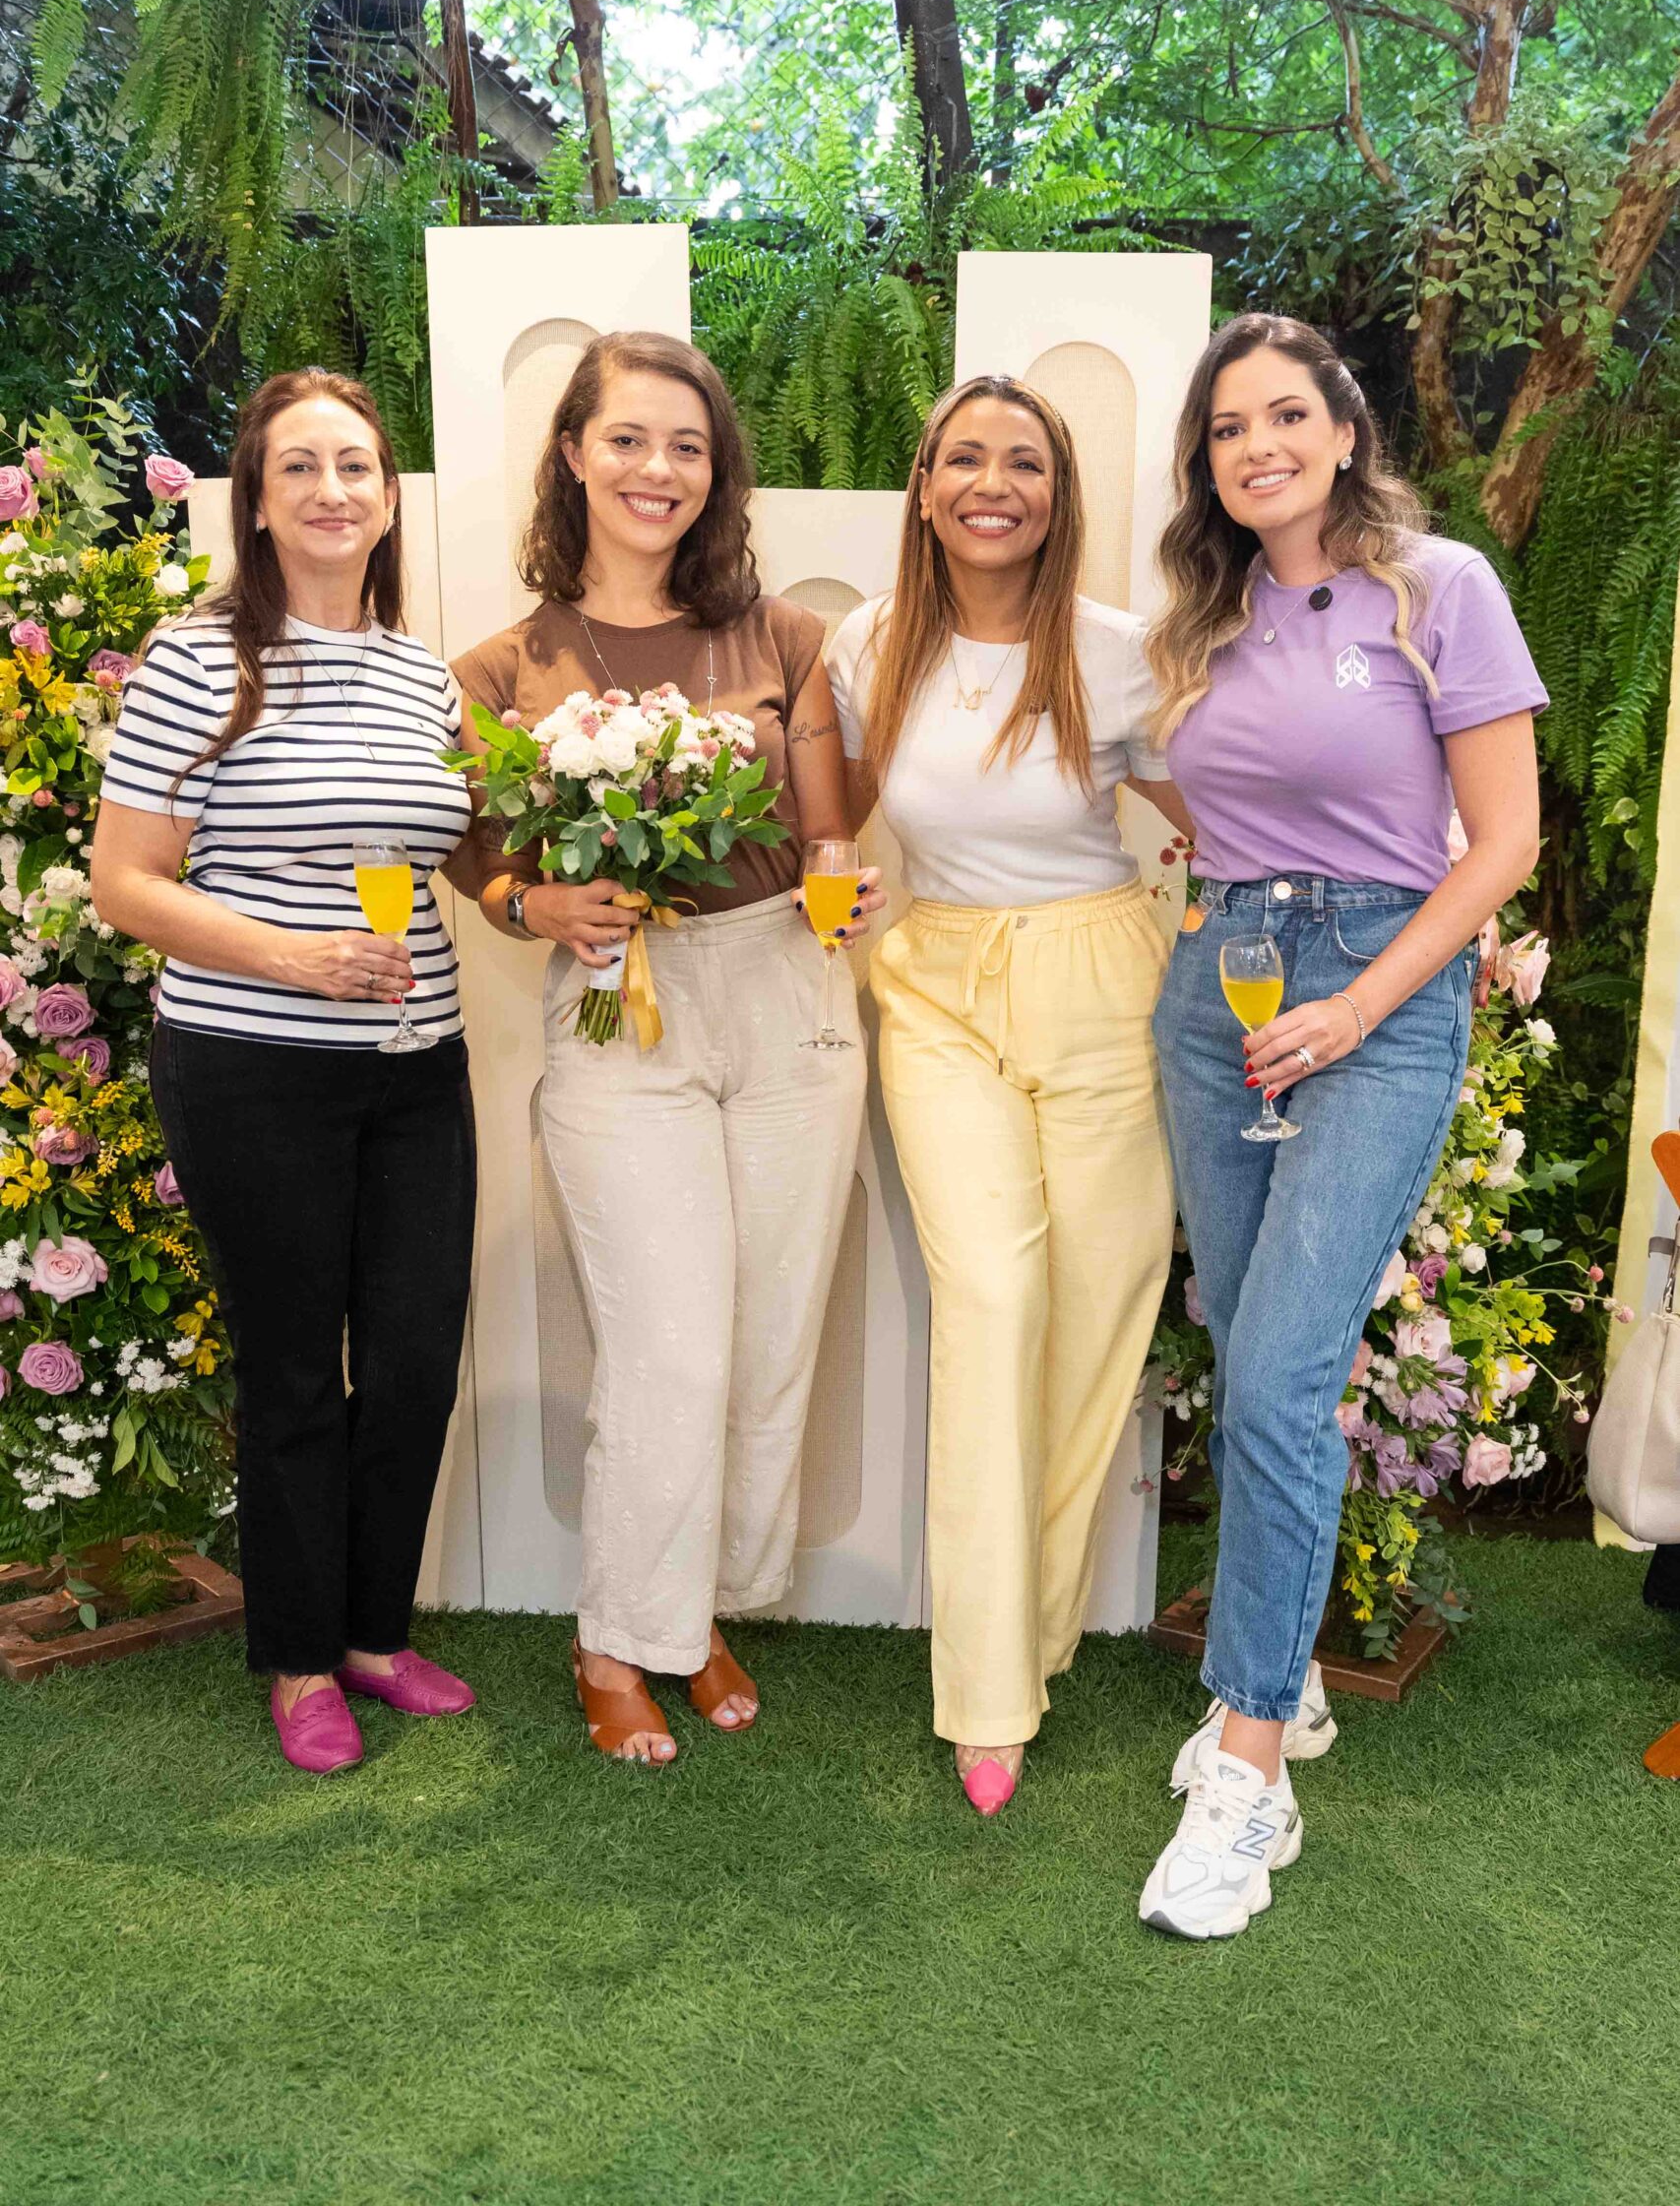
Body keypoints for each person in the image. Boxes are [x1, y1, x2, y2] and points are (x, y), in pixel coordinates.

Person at [1139, 311, 1545, 1937]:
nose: (1261, 447)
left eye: (1286, 415)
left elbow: (1502, 842)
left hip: (1378, 1004)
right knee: (1248, 1354)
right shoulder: (1205, 615)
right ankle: (1287, 1682)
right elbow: (1197, 794)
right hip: (1220, 990)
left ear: (1346, 427)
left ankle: (1249, 1770)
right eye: (1229, 427)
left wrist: (1360, 1004)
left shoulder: (1440, 588)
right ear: (1207, 461)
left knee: (1283, 1375)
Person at [453, 330, 878, 1767]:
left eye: (688, 446)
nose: (658, 469)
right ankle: (613, 1639)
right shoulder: (501, 667)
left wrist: (846, 879)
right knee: (669, 1348)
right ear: (574, 454)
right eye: (628, 439)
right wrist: (534, 904)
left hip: (786, 987)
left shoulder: (785, 639)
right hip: (614, 1004)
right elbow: (473, 853)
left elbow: (828, 825)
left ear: (718, 473)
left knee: (769, 1336)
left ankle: (696, 1612)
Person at [91, 368, 478, 1777]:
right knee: (297, 1371)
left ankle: (375, 1633)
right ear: (254, 501)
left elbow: (459, 852)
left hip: (419, 1068)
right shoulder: (198, 660)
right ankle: (302, 1658)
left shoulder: (421, 671)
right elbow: (126, 883)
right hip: (251, 1067)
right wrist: (293, 959)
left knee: (417, 1363)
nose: (331, 490)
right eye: (299, 466)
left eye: (355, 466)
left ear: (389, 498)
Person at [827, 374, 1183, 1816]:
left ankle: (1031, 1633)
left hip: (1107, 984)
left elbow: (1227, 820)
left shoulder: (1124, 655)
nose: (993, 484)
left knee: (1096, 1320)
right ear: (924, 490)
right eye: (965, 459)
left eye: (1024, 462)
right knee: (990, 1302)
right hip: (938, 990)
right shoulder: (869, 644)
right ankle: (985, 1693)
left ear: (1058, 494)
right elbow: (829, 824)